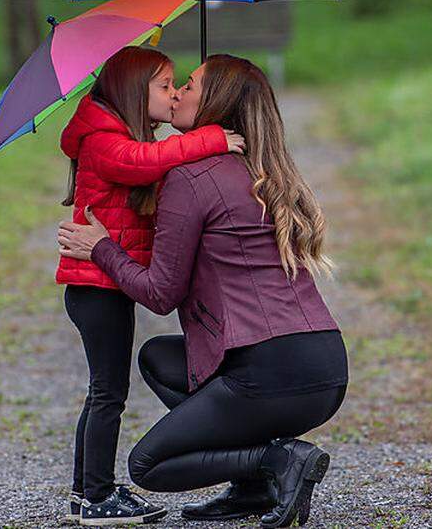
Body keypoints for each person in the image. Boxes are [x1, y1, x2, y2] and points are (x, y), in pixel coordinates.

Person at [59, 55, 347, 528]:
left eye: (188, 85)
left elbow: (159, 294)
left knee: (147, 465)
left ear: (212, 102)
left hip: (267, 370)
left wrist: (102, 248)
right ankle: (252, 490)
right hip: (324, 368)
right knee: (159, 357)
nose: (178, 94)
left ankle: (275, 463)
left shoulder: (192, 177)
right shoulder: (261, 166)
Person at [55, 46, 246, 526]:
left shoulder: (116, 132)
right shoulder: (103, 138)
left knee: (105, 391)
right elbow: (142, 163)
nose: (172, 93)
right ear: (133, 93)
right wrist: (212, 139)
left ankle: (87, 492)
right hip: (96, 287)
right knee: (108, 393)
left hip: (103, 285)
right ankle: (96, 498)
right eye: (164, 86)